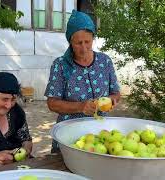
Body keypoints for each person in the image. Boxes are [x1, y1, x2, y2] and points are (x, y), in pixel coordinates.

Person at [44, 10, 121, 152]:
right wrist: (80, 107)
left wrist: (111, 101)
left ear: (93, 38)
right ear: (70, 41)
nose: (84, 48)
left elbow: (116, 93)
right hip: (69, 135)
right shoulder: (61, 65)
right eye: (78, 43)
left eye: (88, 41)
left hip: (100, 134)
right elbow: (52, 103)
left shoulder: (105, 61)